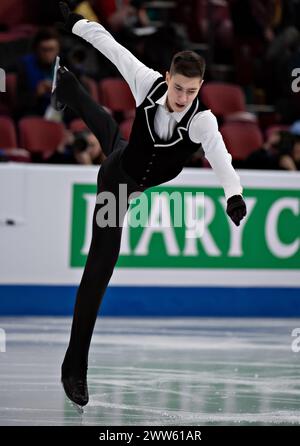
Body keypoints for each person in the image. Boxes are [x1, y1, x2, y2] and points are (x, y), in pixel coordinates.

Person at [54, 2, 247, 408]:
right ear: (167, 78)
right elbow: (111, 45)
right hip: (117, 182)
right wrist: (74, 22)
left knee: (113, 136)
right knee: (100, 268)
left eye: (191, 91)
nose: (182, 97)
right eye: (178, 87)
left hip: (141, 169)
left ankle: (67, 87)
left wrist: (234, 195)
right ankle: (74, 368)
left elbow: (222, 158)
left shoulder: (203, 121)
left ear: (200, 88)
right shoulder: (147, 83)